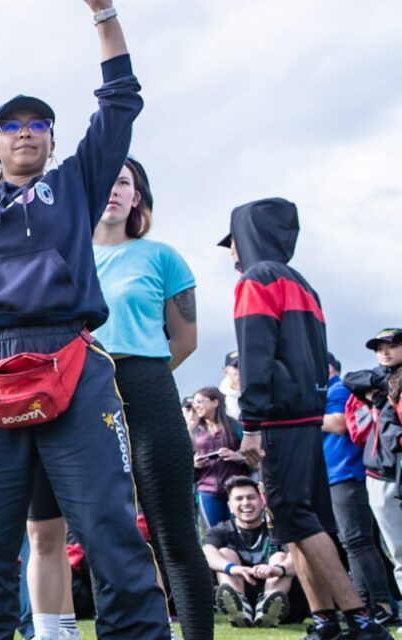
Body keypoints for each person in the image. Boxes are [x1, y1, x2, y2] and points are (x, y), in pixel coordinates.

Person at [0, 2, 171, 636]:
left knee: (109, 531)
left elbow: (120, 101)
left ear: (51, 138)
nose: (25, 131)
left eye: (38, 123)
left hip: (70, 357)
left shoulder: (75, 184)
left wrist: (104, 14)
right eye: (10, 125)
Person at [27, 156, 212, 639]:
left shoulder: (162, 257)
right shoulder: (62, 257)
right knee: (100, 530)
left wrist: (135, 375)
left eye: (124, 182)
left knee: (172, 530)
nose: (113, 189)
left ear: (137, 197)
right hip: (77, 395)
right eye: (105, 181)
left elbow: (185, 339)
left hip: (145, 386)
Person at [223, 197, 389, 640]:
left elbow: (254, 357)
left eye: (233, 243)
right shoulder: (302, 283)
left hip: (277, 420)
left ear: (248, 239)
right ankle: (324, 622)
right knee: (297, 523)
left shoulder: (255, 281)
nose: (232, 254)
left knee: (294, 517)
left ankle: (360, 619)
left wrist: (252, 423)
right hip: (306, 417)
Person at [322, 353, 395, 624]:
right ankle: (367, 605)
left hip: (348, 474)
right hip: (337, 474)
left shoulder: (337, 388)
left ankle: (379, 606)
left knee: (357, 541)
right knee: (356, 541)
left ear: (328, 366)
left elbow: (339, 423)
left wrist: (305, 413)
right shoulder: (334, 389)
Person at [344, 329, 402, 611]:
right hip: (382, 472)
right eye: (379, 348)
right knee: (399, 550)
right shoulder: (377, 379)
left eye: (392, 346)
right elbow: (349, 379)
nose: (385, 352)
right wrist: (384, 382)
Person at [202, 476, 299, 629]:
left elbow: (300, 557)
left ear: (262, 502)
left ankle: (268, 608)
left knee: (280, 557)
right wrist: (232, 568)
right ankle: (240, 609)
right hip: (239, 588)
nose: (245, 503)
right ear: (230, 506)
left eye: (251, 497)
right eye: (239, 499)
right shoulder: (222, 529)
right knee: (224, 553)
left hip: (279, 593)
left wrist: (277, 570)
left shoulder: (278, 528)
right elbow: (207, 552)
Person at [190, 387, 251, 526]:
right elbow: (184, 459)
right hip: (208, 490)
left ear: (215, 402)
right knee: (215, 533)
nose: (196, 406)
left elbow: (253, 454)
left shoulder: (234, 426)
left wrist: (238, 456)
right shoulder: (194, 431)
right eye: (194, 403)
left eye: (200, 401)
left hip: (236, 488)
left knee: (240, 531)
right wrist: (193, 463)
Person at [220, 351, 242, 419]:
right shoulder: (220, 400)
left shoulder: (260, 391)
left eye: (244, 365)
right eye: (236, 366)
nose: (241, 369)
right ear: (225, 371)